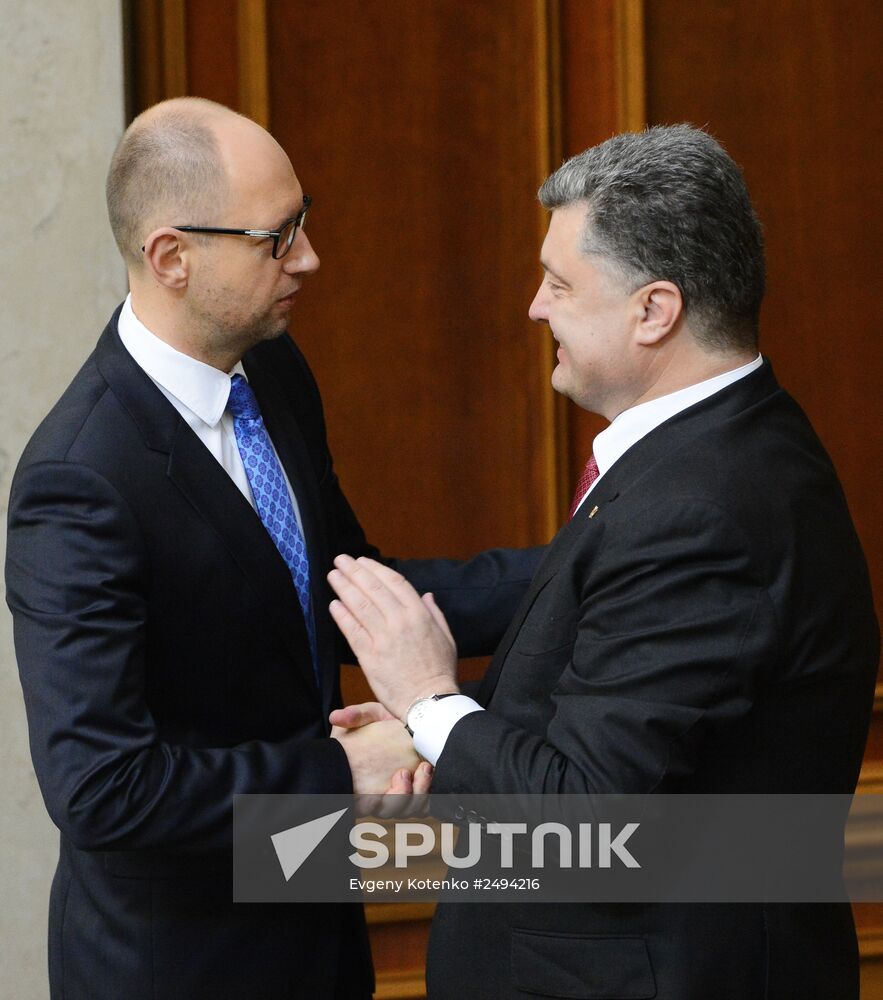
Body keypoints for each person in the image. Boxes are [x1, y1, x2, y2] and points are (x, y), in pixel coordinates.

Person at [5, 97, 541, 1000]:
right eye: (276, 238)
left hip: (315, 933)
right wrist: (337, 771)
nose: (309, 258)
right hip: (178, 967)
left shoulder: (274, 371)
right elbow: (101, 788)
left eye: (303, 225)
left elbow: (343, 592)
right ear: (171, 256)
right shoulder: (79, 479)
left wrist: (585, 567)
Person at [327, 125, 880, 999]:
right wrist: (438, 726)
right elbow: (600, 653)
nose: (534, 308)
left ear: (653, 310)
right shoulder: (725, 442)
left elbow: (584, 825)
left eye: (558, 283)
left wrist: (430, 701)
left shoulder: (702, 509)